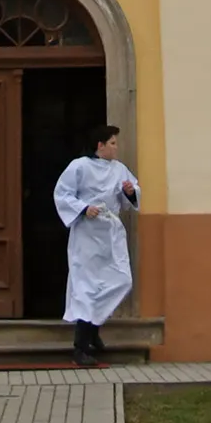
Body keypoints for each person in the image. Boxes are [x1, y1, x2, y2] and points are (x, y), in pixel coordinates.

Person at [53, 121, 140, 364]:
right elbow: (62, 193)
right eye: (113, 143)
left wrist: (129, 191)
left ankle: (94, 327)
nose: (116, 148)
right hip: (87, 235)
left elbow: (130, 196)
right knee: (87, 286)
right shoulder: (79, 166)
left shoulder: (119, 169)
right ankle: (81, 347)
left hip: (110, 233)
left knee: (120, 279)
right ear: (100, 145)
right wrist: (83, 208)